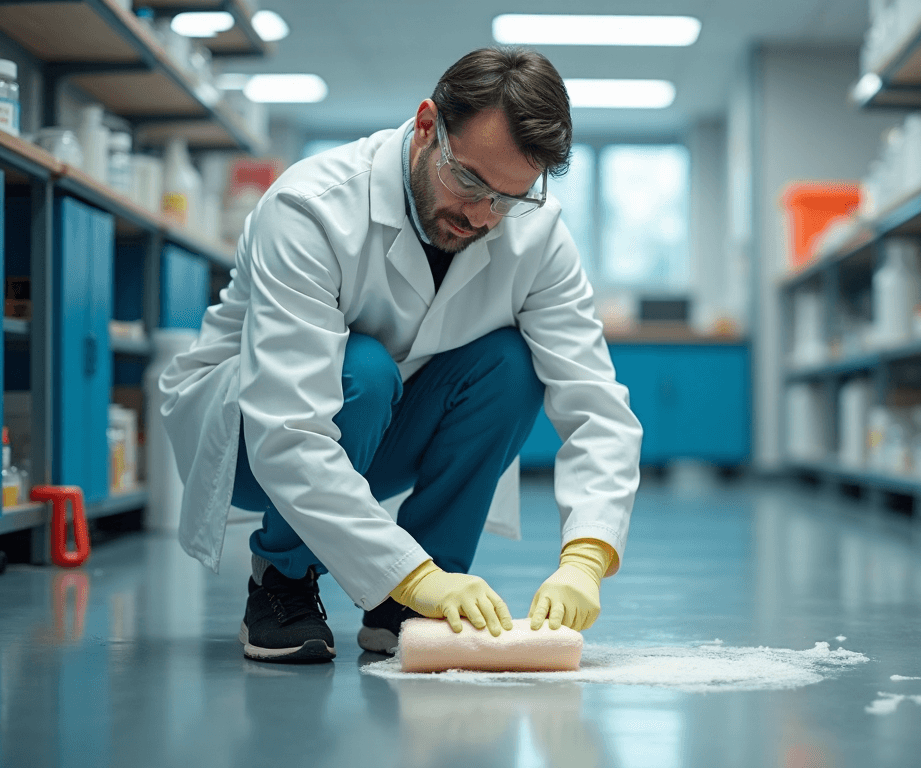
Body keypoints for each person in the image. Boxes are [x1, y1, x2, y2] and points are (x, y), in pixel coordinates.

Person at [159, 46, 642, 663]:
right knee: (362, 367)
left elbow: (595, 403)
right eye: (468, 181)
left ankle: (413, 602)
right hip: (253, 445)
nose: (481, 215)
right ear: (425, 126)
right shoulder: (311, 207)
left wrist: (586, 557)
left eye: (507, 198)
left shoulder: (537, 233)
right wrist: (403, 568)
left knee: (511, 366)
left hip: (379, 434)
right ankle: (281, 578)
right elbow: (288, 425)